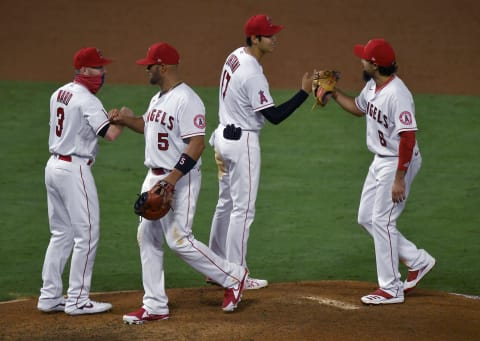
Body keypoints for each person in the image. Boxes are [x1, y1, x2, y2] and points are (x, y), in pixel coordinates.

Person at [109, 42, 248, 324]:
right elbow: (147, 126)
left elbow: (196, 144)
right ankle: (155, 305)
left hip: (179, 177)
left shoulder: (188, 100)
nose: (145, 69)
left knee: (179, 239)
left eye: (150, 65)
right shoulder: (158, 98)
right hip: (154, 176)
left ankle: (234, 276)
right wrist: (126, 120)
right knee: (146, 237)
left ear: (163, 67)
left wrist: (171, 180)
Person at [207, 14, 313, 290]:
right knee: (243, 210)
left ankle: (214, 265)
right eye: (269, 35)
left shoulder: (235, 55)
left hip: (221, 139)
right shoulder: (253, 72)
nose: (274, 38)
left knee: (225, 205)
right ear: (255, 39)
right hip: (242, 145)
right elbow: (274, 116)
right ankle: (237, 274)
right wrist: (303, 93)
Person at [330, 38, 436, 305]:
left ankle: (391, 288)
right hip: (380, 160)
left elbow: (408, 138)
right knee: (367, 217)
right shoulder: (373, 86)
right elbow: (358, 107)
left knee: (383, 221)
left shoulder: (398, 95)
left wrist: (399, 178)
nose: (361, 61)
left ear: (375, 65)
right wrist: (333, 94)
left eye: (365, 58)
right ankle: (418, 261)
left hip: (398, 161)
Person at [38, 47, 125, 315]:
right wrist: (122, 117)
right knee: (86, 235)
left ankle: (50, 296)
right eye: (99, 68)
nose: (103, 73)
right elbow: (109, 134)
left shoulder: (59, 93)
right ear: (85, 71)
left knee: (61, 234)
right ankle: (77, 299)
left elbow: (78, 125)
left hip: (53, 166)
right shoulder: (87, 100)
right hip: (74, 170)